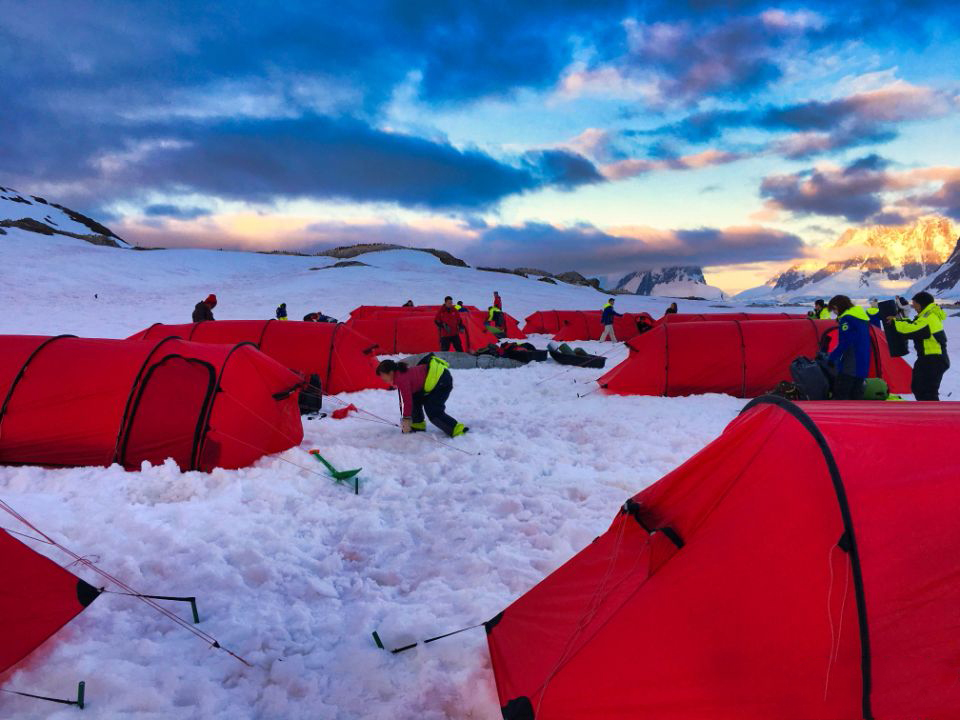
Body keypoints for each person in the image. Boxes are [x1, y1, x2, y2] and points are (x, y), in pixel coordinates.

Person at [377, 357, 468, 437]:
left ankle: (456, 429)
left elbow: (407, 402)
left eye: (382, 375)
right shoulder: (399, 375)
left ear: (390, 372)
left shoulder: (401, 379)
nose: (381, 378)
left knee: (433, 410)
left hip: (442, 380)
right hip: (438, 379)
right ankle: (418, 425)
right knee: (415, 397)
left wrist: (406, 419)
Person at [887, 291, 949, 400]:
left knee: (926, 391)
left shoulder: (929, 317)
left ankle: (931, 414)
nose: (914, 308)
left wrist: (895, 323)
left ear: (921, 304)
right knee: (919, 388)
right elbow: (914, 324)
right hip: (930, 358)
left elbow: (912, 330)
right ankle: (928, 413)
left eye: (915, 305)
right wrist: (897, 320)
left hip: (933, 359)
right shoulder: (927, 315)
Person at [826, 295, 871, 400]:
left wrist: (832, 357)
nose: (835, 313)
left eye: (834, 310)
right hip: (863, 361)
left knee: (841, 394)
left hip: (851, 363)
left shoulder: (847, 319)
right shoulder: (861, 317)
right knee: (856, 394)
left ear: (838, 306)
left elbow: (845, 342)